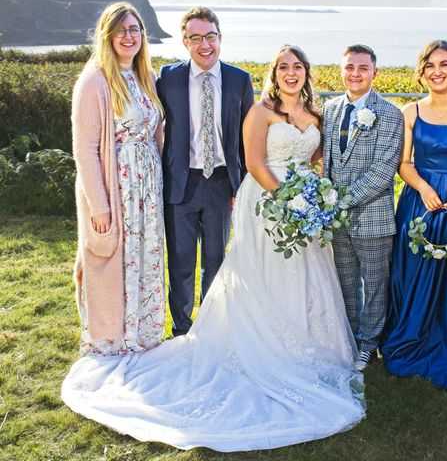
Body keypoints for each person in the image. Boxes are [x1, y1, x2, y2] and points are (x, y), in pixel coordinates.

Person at [61, 44, 366, 452]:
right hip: (265, 201)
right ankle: (205, 331)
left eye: (297, 67)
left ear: (306, 73)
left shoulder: (314, 114)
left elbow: (313, 157)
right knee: (231, 271)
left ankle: (306, 342)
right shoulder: (251, 108)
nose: (291, 73)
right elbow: (256, 162)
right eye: (283, 67)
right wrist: (289, 197)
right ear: (274, 73)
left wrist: (314, 194)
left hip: (296, 202)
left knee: (303, 276)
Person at [381, 40, 447, 388]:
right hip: (420, 205)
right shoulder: (410, 112)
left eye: (444, 64)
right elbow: (403, 163)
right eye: (430, 66)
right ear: (422, 72)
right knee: (414, 274)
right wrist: (424, 188)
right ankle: (413, 336)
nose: (437, 72)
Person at [71, 2, 165, 356]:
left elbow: (155, 128)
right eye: (121, 30)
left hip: (148, 187)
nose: (129, 36)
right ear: (107, 36)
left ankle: (143, 331)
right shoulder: (94, 80)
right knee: (111, 260)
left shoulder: (145, 76)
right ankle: (111, 337)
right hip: (116, 186)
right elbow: (85, 149)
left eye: (135, 29)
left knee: (145, 255)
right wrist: (100, 205)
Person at [156, 6, 254, 336]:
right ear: (184, 42)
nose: (204, 44)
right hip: (181, 184)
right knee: (181, 263)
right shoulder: (167, 78)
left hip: (222, 184)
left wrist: (241, 188)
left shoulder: (240, 80)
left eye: (210, 36)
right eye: (195, 38)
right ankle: (182, 331)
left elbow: (246, 137)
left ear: (220, 38)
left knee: (215, 263)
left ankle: (211, 331)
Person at [322, 45, 404, 370]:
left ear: (374, 73)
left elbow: (384, 170)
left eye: (362, 68)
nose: (355, 73)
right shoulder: (328, 110)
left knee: (374, 284)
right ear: (341, 71)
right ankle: (349, 339)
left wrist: (340, 201)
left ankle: (370, 343)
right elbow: (327, 163)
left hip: (373, 217)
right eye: (349, 67)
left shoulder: (390, 113)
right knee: (343, 281)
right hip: (336, 220)